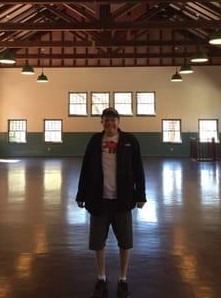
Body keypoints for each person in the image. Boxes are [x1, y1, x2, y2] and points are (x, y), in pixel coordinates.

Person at [76, 107, 147, 298]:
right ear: (101, 122)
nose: (110, 123)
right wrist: (80, 194)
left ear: (118, 121)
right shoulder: (94, 141)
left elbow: (138, 169)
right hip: (98, 200)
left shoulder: (130, 141)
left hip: (122, 201)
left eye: (113, 120)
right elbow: (85, 169)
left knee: (125, 242)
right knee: (98, 242)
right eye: (106, 120)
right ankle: (101, 277)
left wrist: (141, 195)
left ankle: (123, 278)